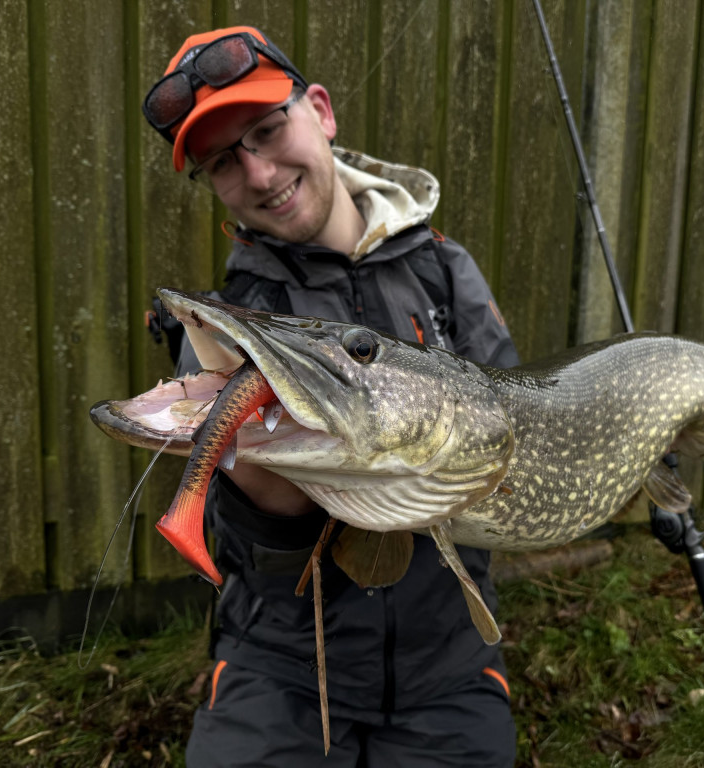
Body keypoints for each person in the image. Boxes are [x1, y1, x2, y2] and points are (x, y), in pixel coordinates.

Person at [142, 26, 520, 767]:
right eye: (225, 161)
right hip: (279, 663)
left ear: (320, 110)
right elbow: (241, 554)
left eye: (268, 130)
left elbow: (515, 429)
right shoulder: (231, 334)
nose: (258, 173)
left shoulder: (446, 272)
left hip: (448, 659)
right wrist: (267, 508)